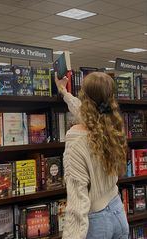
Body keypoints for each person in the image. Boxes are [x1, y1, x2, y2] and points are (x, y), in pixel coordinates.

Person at [55, 72, 129, 239]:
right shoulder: (111, 125)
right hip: (118, 212)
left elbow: (77, 199)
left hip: (97, 222)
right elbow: (82, 111)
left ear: (85, 96)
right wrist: (63, 91)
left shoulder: (75, 139)